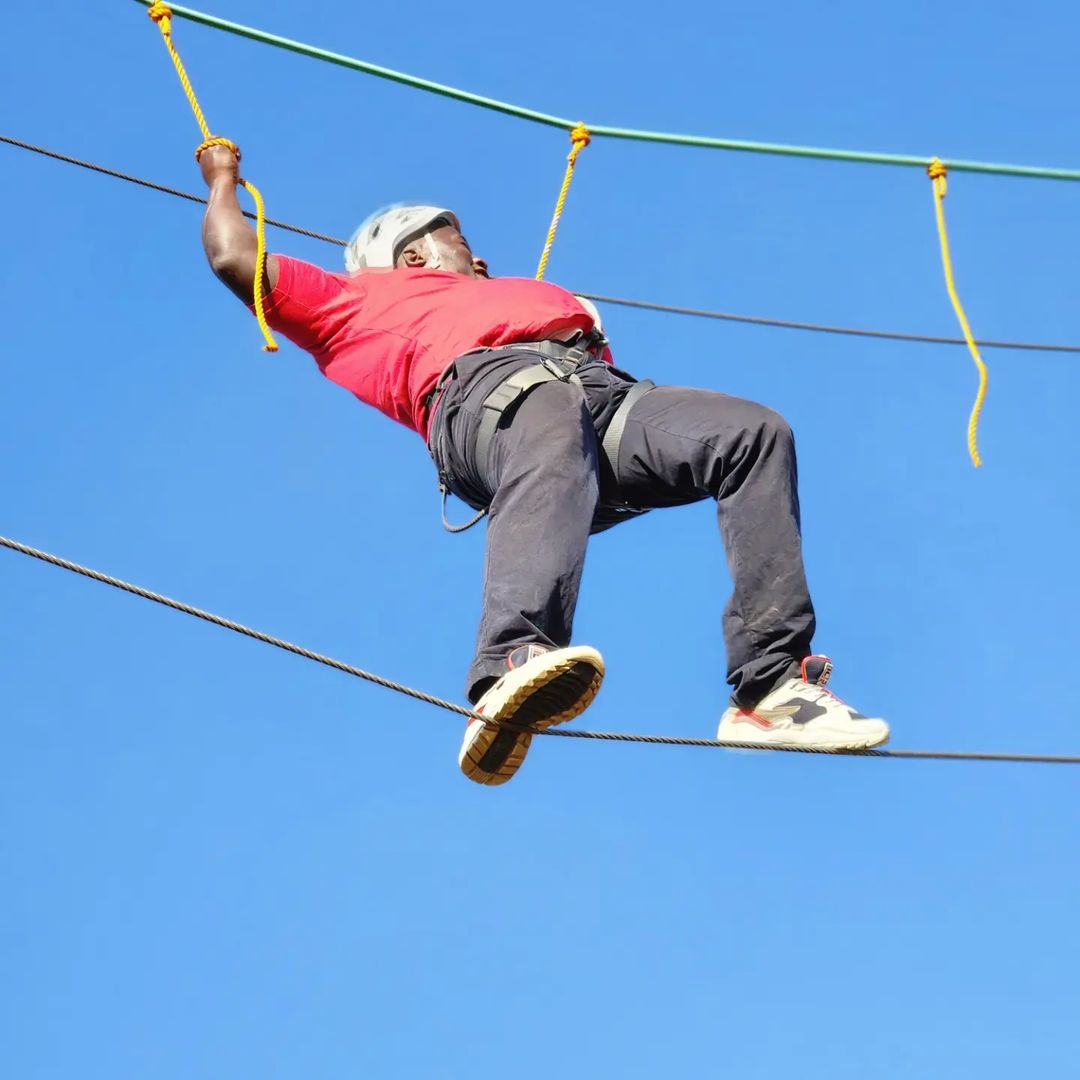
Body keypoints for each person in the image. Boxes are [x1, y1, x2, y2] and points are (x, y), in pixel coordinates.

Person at [197, 144, 890, 786]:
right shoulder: (355, 301)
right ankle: (509, 661)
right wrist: (222, 177)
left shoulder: (511, 295)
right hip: (487, 405)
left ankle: (770, 687)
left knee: (751, 433)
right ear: (412, 258)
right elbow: (235, 257)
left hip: (598, 403)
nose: (479, 253)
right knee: (547, 405)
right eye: (459, 240)